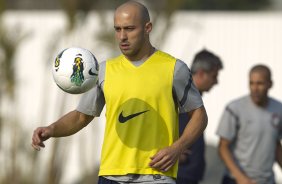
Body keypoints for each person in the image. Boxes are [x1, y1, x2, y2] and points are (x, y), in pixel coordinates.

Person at [31, 1, 208, 183]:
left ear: (148, 28)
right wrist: (51, 129)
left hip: (156, 175)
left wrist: (177, 148)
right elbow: (80, 117)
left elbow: (200, 116)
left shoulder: (174, 69)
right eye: (118, 29)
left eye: (129, 29)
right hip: (111, 175)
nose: (122, 36)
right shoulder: (104, 70)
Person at [216, 64, 282, 184]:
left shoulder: (279, 109)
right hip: (236, 180)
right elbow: (222, 147)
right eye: (251, 83)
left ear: (270, 84)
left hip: (267, 180)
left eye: (260, 83)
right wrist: (240, 178)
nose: (255, 88)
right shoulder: (234, 108)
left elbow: (276, 145)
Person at [176, 49, 223, 184]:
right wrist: (170, 151)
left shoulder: (193, 100)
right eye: (214, 76)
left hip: (189, 177)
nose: (216, 82)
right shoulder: (178, 95)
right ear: (201, 73)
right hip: (177, 177)